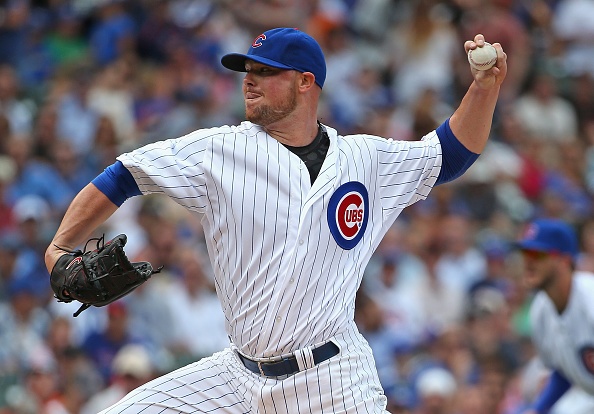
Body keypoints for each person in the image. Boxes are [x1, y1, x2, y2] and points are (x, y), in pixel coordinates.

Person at [44, 27, 507, 413]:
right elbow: (122, 175)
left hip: (332, 381)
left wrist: (483, 87)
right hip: (236, 378)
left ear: (307, 82)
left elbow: (449, 154)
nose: (250, 80)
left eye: (266, 72)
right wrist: (59, 247)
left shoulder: (365, 159)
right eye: (248, 70)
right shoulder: (221, 150)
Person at [517, 218, 594, 413]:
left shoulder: (590, 299)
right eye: (525, 252)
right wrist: (539, 409)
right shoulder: (540, 312)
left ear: (565, 259)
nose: (528, 261)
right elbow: (563, 372)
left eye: (537, 254)